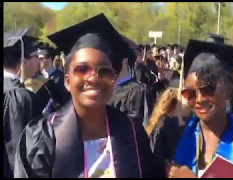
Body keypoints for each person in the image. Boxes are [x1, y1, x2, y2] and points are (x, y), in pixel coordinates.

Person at [14, 13, 155, 178]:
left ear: (113, 79)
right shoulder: (40, 138)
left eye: (104, 71)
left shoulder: (133, 133)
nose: (94, 78)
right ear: (67, 81)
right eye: (82, 69)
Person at [151, 39, 233, 178]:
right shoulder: (170, 135)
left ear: (228, 89)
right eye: (190, 93)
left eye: (208, 90)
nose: (199, 99)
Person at [3, 28, 38, 178]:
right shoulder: (18, 96)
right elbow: (17, 149)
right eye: (35, 57)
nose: (38, 62)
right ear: (23, 62)